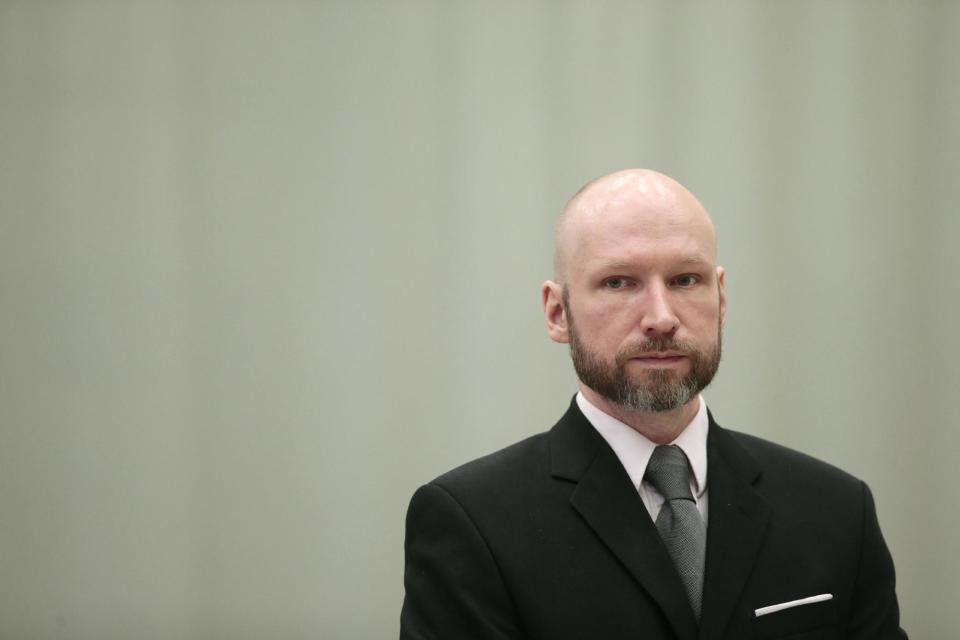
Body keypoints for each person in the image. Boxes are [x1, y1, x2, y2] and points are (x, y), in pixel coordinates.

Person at [399, 169, 907, 639]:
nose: (661, 317)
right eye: (619, 282)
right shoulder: (473, 523)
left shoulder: (838, 511)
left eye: (686, 280)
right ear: (558, 312)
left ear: (721, 299)